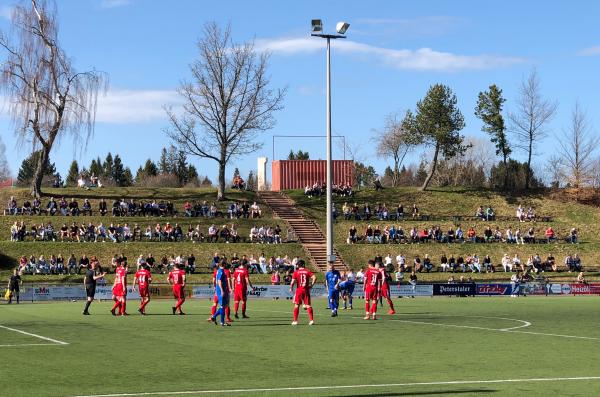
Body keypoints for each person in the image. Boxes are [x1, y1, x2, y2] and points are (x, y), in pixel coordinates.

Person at [290, 260, 316, 325]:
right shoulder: (307, 271)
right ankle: (311, 320)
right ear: (304, 265)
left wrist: (291, 288)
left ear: (298, 265)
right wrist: (311, 285)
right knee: (308, 305)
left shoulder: (296, 272)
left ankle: (295, 321)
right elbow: (314, 277)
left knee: (296, 305)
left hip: (299, 290)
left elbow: (292, 282)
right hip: (306, 290)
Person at [209, 261, 231, 326]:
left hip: (222, 290)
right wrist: (222, 290)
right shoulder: (221, 271)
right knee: (222, 306)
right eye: (225, 264)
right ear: (223, 264)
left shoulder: (219, 271)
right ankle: (222, 322)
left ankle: (213, 317)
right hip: (221, 290)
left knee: (224, 306)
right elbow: (219, 281)